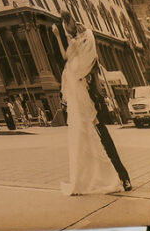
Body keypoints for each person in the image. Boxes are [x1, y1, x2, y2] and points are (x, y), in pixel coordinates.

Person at [57, 15, 133, 195]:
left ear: (70, 23)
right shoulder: (75, 45)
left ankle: (123, 177)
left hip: (92, 98)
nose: (66, 31)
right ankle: (104, 177)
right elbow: (68, 60)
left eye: (66, 27)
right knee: (91, 143)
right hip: (83, 100)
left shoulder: (87, 38)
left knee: (104, 140)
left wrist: (88, 81)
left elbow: (91, 64)